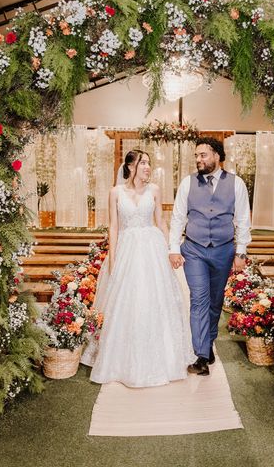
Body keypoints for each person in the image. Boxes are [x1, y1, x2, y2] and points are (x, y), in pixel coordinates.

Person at [87, 149, 195, 387]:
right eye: (143, 163)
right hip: (126, 249)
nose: (147, 167)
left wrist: (171, 249)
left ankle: (163, 357)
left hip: (152, 248)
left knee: (153, 298)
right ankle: (121, 358)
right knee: (127, 300)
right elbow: (113, 228)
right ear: (130, 166)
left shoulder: (154, 190)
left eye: (148, 163)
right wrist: (113, 258)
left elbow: (161, 221)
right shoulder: (115, 192)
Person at [169, 137, 251, 376]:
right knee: (199, 299)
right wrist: (174, 248)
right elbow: (177, 218)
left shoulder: (237, 184)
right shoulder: (188, 183)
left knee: (215, 302)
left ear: (217, 156)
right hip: (194, 249)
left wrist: (241, 252)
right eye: (196, 155)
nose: (198, 160)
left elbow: (243, 221)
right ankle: (202, 355)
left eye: (203, 155)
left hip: (223, 250)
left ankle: (208, 341)